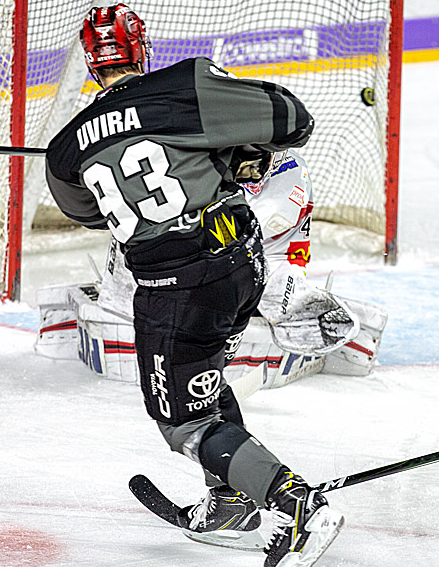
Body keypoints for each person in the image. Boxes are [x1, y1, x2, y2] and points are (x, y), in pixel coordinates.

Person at [44, 4, 344, 567]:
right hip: (242, 262)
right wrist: (226, 150)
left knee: (183, 422)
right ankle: (231, 504)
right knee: (203, 376)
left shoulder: (64, 149)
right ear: (141, 49)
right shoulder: (186, 85)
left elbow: (88, 212)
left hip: (178, 284)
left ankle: (299, 505)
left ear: (91, 64)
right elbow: (292, 119)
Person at [36, 147, 389, 390]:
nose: (247, 165)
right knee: (136, 254)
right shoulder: (210, 157)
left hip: (269, 261)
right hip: (224, 253)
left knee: (240, 287)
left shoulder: (288, 178)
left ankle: (288, 312)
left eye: (256, 159)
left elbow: (234, 236)